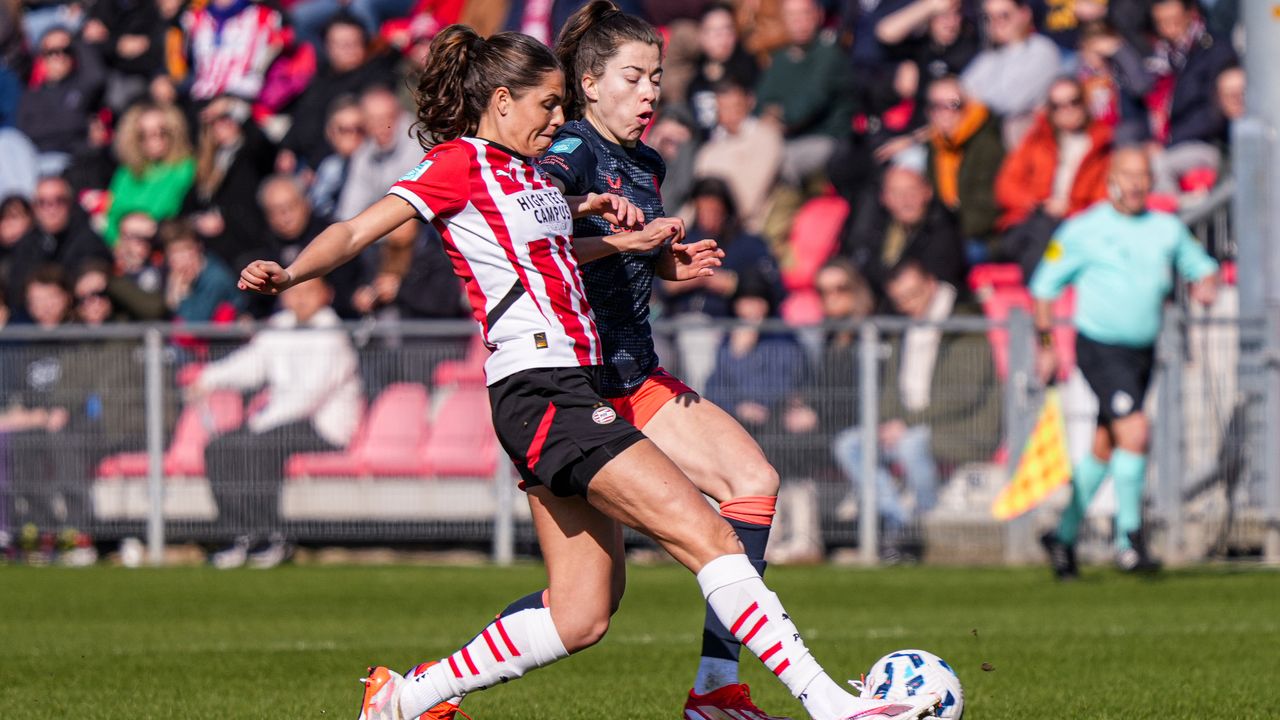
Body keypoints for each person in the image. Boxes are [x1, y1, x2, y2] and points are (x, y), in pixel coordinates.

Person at [237, 24, 940, 720]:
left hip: (564, 389)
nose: (559, 118)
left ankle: (402, 699)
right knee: (709, 535)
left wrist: (625, 240)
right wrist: (293, 269)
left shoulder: (524, 175)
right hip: (541, 390)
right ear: (503, 100)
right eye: (547, 104)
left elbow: (553, 251)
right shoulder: (459, 164)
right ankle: (826, 706)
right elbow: (360, 228)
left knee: (581, 616)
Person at [540, 6, 812, 717]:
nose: (649, 92)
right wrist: (606, 226)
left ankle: (717, 689)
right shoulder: (570, 149)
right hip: (573, 393)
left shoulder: (645, 162)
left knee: (751, 481)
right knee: (583, 616)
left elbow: (621, 254)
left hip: (637, 377)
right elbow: (533, 224)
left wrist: (665, 260)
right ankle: (415, 690)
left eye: (657, 78)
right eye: (633, 77)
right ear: (589, 83)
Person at [1032, 146, 1219, 579]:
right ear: (1111, 178)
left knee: (1107, 443)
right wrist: (1045, 343)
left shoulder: (1165, 227)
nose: (1136, 184)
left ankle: (1062, 536)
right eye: (1128, 175)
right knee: (1135, 431)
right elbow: (1044, 287)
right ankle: (1129, 540)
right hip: (1099, 347)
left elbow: (1200, 266)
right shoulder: (1083, 230)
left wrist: (1206, 284)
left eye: (1143, 176)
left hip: (1141, 351)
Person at [833, 260, 1000, 562]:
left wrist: (905, 423)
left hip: (965, 429)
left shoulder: (965, 324)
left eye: (913, 295)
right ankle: (901, 522)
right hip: (910, 427)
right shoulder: (904, 327)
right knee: (850, 444)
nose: (908, 305)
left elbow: (963, 393)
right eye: (901, 299)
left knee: (912, 444)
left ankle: (926, 523)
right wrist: (884, 423)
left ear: (931, 285)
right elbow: (890, 390)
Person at [192, 277, 363, 569]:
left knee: (259, 447)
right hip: (277, 421)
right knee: (218, 447)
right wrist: (208, 378)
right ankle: (238, 534)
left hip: (323, 427)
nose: (300, 299)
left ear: (326, 295)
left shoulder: (333, 334)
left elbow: (310, 396)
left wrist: (261, 423)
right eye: (294, 292)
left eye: (309, 292)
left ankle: (270, 538)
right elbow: (251, 363)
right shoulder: (280, 327)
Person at [994, 76, 1112, 277]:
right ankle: (1043, 295)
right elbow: (1006, 186)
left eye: (1073, 102)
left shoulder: (1103, 145)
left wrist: (1068, 210)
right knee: (1038, 233)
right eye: (1058, 106)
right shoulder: (1037, 140)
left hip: (1074, 225)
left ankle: (1039, 296)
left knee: (1046, 242)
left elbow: (1103, 200)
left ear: (1084, 103)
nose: (1067, 110)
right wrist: (1039, 204)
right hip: (1031, 219)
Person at [842, 163, 967, 304]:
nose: (905, 200)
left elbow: (940, 279)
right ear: (884, 198)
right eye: (896, 193)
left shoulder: (946, 230)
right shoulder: (874, 231)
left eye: (912, 190)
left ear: (928, 191)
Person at [923, 75, 1004, 261]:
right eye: (936, 106)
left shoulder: (988, 144)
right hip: (950, 232)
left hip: (985, 237)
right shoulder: (935, 145)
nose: (945, 113)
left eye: (953, 105)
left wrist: (949, 233)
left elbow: (991, 207)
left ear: (966, 106)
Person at [960, 0, 1062, 146]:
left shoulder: (1042, 50)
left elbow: (1011, 102)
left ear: (1024, 14)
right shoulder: (989, 57)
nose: (996, 23)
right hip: (988, 134)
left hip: (1026, 138)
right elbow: (960, 89)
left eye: (1003, 15)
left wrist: (973, 98)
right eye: (990, 18)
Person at [9, 176, 112, 320]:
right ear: (34, 208)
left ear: (70, 204)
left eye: (59, 201)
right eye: (42, 202)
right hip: (33, 323)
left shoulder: (88, 238)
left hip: (76, 323)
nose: (51, 209)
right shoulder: (26, 243)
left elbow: (93, 270)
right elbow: (16, 290)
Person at [104, 101, 196, 245]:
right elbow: (112, 216)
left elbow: (167, 209)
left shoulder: (184, 168)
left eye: (162, 132)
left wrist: (136, 225)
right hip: (125, 249)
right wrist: (119, 244)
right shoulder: (127, 172)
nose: (154, 140)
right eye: (144, 135)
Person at [160, 219, 246, 323]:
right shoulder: (167, 275)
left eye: (186, 249)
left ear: (198, 248)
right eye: (175, 252)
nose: (182, 259)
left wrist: (182, 297)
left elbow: (195, 326)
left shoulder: (215, 278)